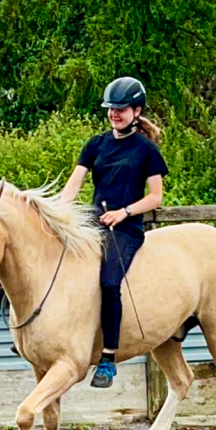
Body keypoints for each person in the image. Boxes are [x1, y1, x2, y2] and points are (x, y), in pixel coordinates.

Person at [60, 76, 168, 388]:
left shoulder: (146, 151)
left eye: (120, 109)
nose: (114, 114)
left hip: (126, 229)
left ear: (136, 111)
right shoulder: (96, 144)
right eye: (110, 109)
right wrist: (58, 214)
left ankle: (107, 357)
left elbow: (156, 197)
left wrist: (124, 212)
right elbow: (74, 184)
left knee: (109, 283)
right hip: (94, 225)